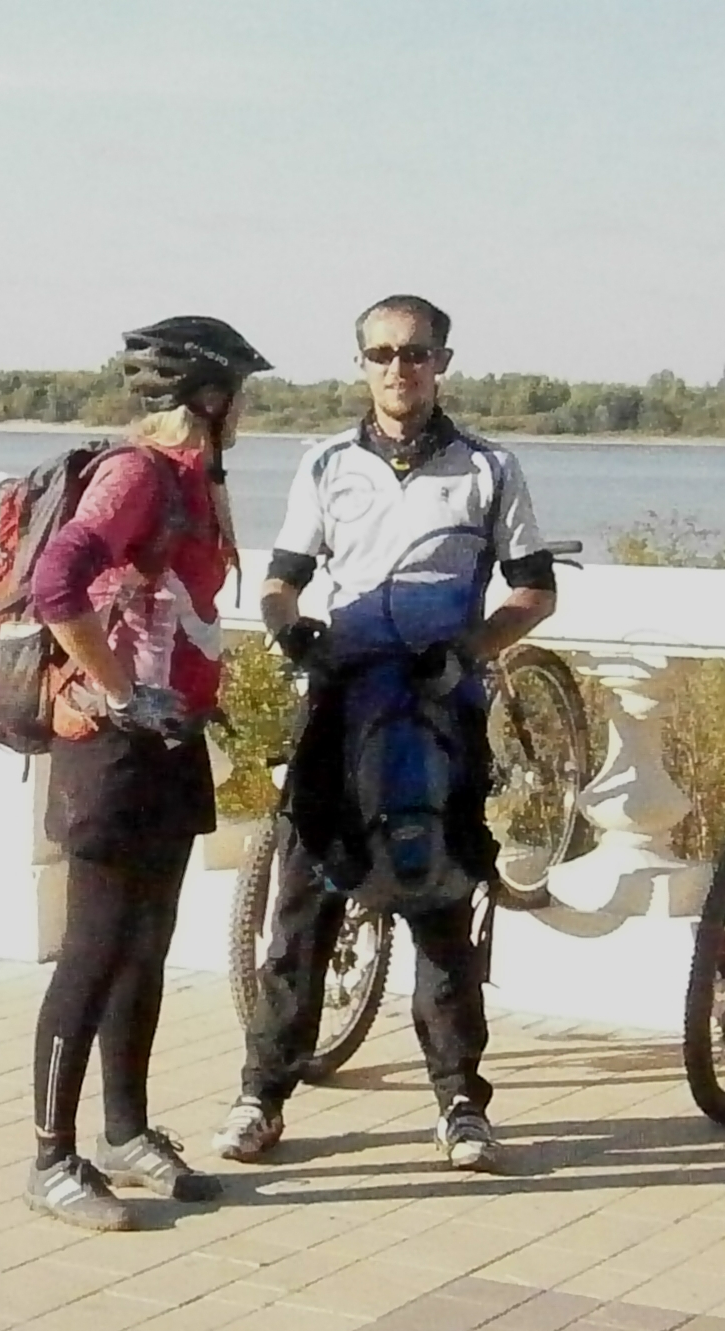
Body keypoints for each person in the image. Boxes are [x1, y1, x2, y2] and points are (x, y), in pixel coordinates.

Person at [211, 294, 557, 1173]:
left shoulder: (489, 468)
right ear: (360, 363)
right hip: (343, 708)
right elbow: (282, 581)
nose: (398, 369)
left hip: (439, 714)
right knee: (303, 909)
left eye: (414, 353)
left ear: (442, 362)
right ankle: (262, 1093)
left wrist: (468, 649)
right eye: (380, 354)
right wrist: (290, 630)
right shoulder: (326, 463)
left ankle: (460, 1104)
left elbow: (533, 590)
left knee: (442, 909)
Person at [24, 315, 271, 1230]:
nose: (245, 412)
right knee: (92, 950)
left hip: (169, 742)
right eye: (240, 394)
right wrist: (121, 691)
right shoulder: (135, 475)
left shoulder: (191, 481)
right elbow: (56, 584)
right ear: (210, 397)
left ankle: (125, 1132)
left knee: (146, 944)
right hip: (111, 747)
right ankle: (52, 1158)